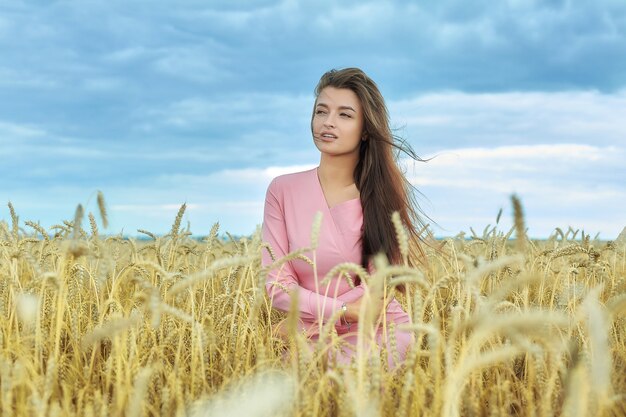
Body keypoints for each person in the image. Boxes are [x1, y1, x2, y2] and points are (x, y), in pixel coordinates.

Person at [261, 67, 429, 368]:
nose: (328, 122)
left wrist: (326, 316)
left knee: (329, 372)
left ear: (365, 129)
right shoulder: (281, 190)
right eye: (321, 111)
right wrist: (340, 310)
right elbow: (276, 284)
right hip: (308, 334)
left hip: (378, 334)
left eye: (344, 115)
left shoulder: (380, 196)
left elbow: (376, 294)